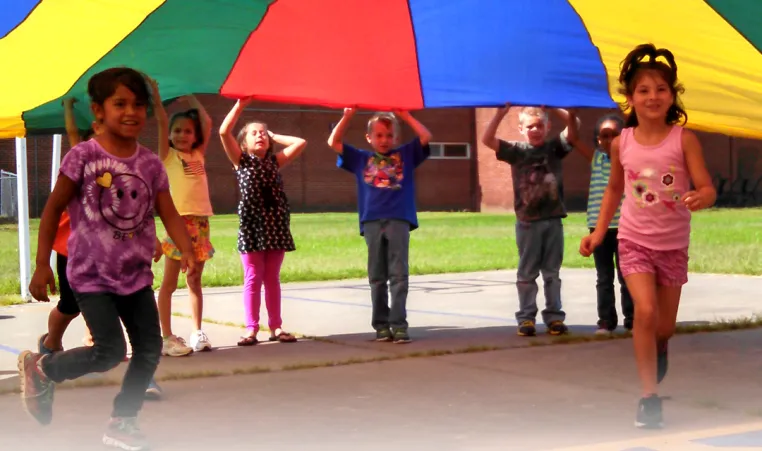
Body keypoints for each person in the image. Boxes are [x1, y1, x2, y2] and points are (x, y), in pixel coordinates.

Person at [19, 67, 195, 450]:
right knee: (109, 351)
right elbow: (51, 211)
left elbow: (168, 212)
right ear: (98, 111)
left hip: (134, 275)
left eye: (138, 105)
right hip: (91, 275)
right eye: (120, 104)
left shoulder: (149, 163)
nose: (131, 112)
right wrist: (41, 263)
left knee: (148, 349)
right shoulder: (83, 156)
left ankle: (123, 422)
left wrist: (188, 249)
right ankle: (44, 367)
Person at [579, 43, 716, 429]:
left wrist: (701, 197)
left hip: (673, 246)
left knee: (664, 326)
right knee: (646, 311)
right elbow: (612, 190)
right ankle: (648, 398)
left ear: (672, 95)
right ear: (629, 97)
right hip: (633, 241)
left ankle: (660, 344)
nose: (652, 97)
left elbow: (707, 187)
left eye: (660, 89)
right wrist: (598, 231)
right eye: (643, 90)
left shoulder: (683, 139)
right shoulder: (622, 142)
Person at [38, 97, 163, 399]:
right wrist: (68, 108)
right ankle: (50, 345)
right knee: (68, 307)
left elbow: (138, 209)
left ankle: (140, 377)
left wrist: (153, 238)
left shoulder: (131, 167)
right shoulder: (82, 161)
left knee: (140, 338)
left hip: (119, 262)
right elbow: (53, 208)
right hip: (76, 255)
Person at [327, 107, 432, 344]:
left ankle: (399, 325)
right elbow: (333, 141)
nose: (384, 140)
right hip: (373, 220)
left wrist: (405, 116)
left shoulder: (406, 154)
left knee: (399, 275)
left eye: (389, 135)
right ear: (369, 138)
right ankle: (381, 325)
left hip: (398, 219)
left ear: (396, 137)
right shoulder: (360, 158)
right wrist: (348, 115)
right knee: (377, 276)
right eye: (379, 135)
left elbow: (426, 137)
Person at [481, 104, 579, 337]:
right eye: (530, 126)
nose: (535, 129)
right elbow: (487, 140)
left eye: (539, 125)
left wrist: (555, 107)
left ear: (547, 127)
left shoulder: (554, 147)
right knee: (527, 273)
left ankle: (554, 317)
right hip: (528, 222)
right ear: (521, 129)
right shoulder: (517, 150)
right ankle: (526, 318)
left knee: (552, 273)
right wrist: (500, 113)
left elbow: (575, 129)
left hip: (553, 219)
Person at [219, 97, 307, 346]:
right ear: (243, 144)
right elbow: (224, 132)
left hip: (276, 226)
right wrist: (239, 106)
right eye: (254, 133)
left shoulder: (275, 161)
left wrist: (275, 135)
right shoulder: (242, 162)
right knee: (253, 277)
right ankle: (251, 328)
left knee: (272, 279)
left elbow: (300, 142)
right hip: (252, 228)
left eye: (263, 134)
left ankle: (276, 327)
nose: (260, 136)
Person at [148, 78, 215, 356]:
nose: (182, 135)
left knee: (195, 279)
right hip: (179, 223)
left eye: (187, 131)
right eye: (178, 131)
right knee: (170, 283)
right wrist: (157, 95)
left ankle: (197, 331)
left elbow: (207, 122)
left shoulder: (198, 154)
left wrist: (191, 98)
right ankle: (165, 334)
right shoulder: (168, 156)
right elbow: (163, 123)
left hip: (200, 222)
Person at [573, 113, 634, 334]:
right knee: (604, 276)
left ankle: (632, 320)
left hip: (624, 225)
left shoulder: (629, 161)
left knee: (627, 275)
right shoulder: (596, 159)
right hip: (598, 227)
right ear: (597, 139)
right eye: (604, 136)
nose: (608, 140)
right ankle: (606, 320)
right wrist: (571, 114)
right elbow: (572, 137)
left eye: (614, 135)